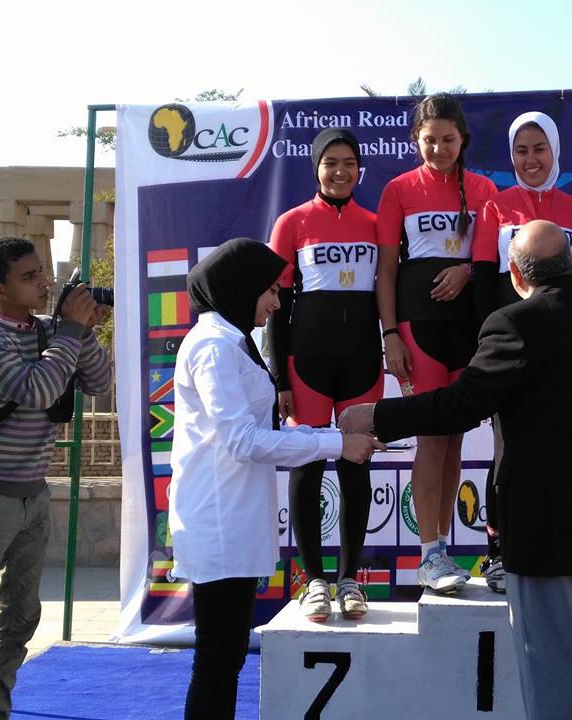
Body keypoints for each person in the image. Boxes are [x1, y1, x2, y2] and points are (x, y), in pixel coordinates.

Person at [340, 220, 572, 720]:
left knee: (559, 688)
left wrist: (377, 415)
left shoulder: (512, 324)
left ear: (515, 274)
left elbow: (459, 406)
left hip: (551, 529)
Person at [168, 238, 381, 719]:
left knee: (226, 656)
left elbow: (260, 430)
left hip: (234, 517)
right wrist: (335, 446)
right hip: (218, 521)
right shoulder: (214, 348)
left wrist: (336, 435)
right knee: (218, 658)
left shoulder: (231, 340)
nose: (276, 303)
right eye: (269, 291)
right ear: (239, 287)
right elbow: (242, 441)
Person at [0, 236, 111, 719]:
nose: (44, 283)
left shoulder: (53, 332)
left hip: (33, 494)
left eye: (42, 272)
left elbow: (99, 382)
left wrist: (83, 333)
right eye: (29, 277)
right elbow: (38, 391)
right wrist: (70, 331)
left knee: (19, 617)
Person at [375, 93, 496, 592]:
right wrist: (389, 335)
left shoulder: (484, 188)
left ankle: (443, 551)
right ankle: (428, 553)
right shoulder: (399, 189)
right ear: (415, 140)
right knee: (431, 437)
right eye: (429, 140)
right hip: (417, 326)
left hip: (468, 327)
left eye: (448, 140)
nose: (439, 149)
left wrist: (467, 270)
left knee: (455, 439)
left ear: (462, 139)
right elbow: (385, 271)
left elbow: (491, 261)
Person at [472, 111, 572, 592]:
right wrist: (487, 344)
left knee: (561, 447)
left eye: (539, 149)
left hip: (565, 349)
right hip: (512, 345)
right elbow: (484, 279)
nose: (530, 159)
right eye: (521, 151)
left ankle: (555, 546)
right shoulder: (494, 207)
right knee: (506, 452)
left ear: (555, 151)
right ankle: (498, 552)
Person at [267, 128, 383, 623]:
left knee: (357, 466)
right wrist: (279, 377)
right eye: (330, 162)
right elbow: (276, 306)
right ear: (316, 168)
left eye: (349, 163)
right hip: (307, 365)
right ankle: (314, 580)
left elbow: (388, 291)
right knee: (308, 466)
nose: (340, 171)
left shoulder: (376, 223)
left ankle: (350, 578)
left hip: (363, 362)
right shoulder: (292, 222)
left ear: (359, 169)